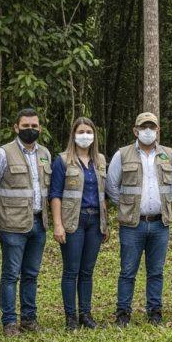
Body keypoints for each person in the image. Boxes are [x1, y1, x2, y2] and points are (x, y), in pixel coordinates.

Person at [106, 112, 172, 327]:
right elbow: (112, 186)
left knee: (156, 272)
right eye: (143, 127)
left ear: (158, 130)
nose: (148, 131)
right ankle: (123, 313)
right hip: (132, 224)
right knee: (127, 271)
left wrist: (161, 203)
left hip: (159, 223)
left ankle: (155, 312)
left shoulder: (168, 154)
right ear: (135, 130)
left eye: (152, 127)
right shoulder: (122, 154)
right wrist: (128, 206)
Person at [0, 107, 52, 336]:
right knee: (10, 275)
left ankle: (29, 319)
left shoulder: (45, 153)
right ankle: (9, 322)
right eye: (26, 126)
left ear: (40, 128)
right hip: (12, 225)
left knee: (31, 274)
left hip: (38, 223)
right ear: (16, 127)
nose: (30, 129)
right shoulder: (2, 154)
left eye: (34, 126)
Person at [50, 117, 108, 330]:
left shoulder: (100, 160)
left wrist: (105, 223)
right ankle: (71, 317)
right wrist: (58, 224)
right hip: (73, 221)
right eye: (81, 132)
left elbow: (103, 194)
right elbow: (55, 194)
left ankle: (85, 314)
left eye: (89, 132)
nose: (85, 136)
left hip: (95, 221)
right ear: (73, 135)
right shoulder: (63, 160)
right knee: (71, 271)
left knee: (87, 271)